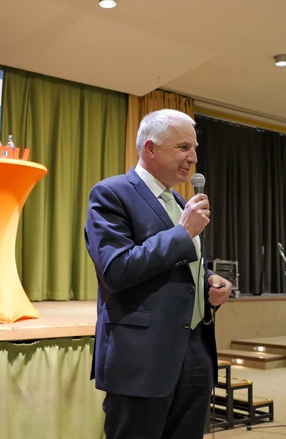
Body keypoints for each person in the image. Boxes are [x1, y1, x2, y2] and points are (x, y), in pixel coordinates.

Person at [84, 109, 233, 438]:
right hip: (142, 358)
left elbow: (184, 264)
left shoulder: (181, 202)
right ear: (150, 149)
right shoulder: (112, 194)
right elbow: (116, 269)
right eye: (183, 148)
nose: (193, 159)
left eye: (194, 149)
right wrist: (182, 234)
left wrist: (209, 279)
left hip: (194, 350)